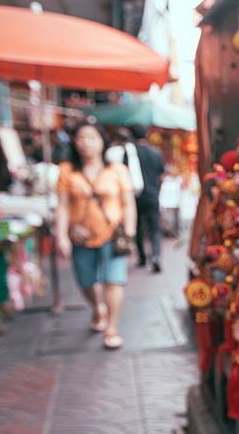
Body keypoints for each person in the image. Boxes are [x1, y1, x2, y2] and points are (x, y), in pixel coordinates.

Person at [54, 121, 136, 350]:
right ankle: (97, 307)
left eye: (92, 138)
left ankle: (111, 328)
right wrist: (61, 235)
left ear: (102, 142)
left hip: (112, 234)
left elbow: (128, 203)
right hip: (80, 237)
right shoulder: (66, 171)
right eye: (81, 138)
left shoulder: (117, 170)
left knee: (114, 280)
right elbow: (62, 206)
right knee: (85, 281)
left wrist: (129, 232)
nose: (86, 143)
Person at [126, 125, 166, 272]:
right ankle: (155, 256)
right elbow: (162, 175)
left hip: (135, 196)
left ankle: (142, 257)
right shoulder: (155, 152)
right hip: (152, 194)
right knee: (155, 227)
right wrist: (157, 190)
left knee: (138, 227)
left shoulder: (130, 153)